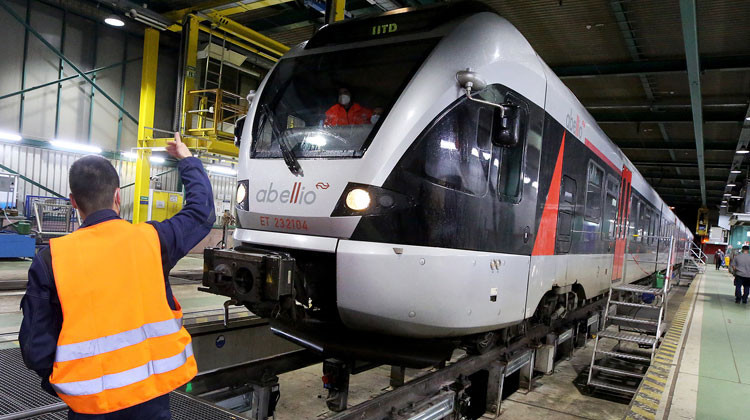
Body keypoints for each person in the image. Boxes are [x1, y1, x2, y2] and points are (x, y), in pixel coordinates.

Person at [19, 133, 215, 419]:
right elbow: (201, 212)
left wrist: (64, 384)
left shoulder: (51, 258)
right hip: (151, 398)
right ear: (118, 195)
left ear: (73, 201)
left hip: (90, 405)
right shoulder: (154, 240)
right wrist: (187, 159)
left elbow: (35, 345)